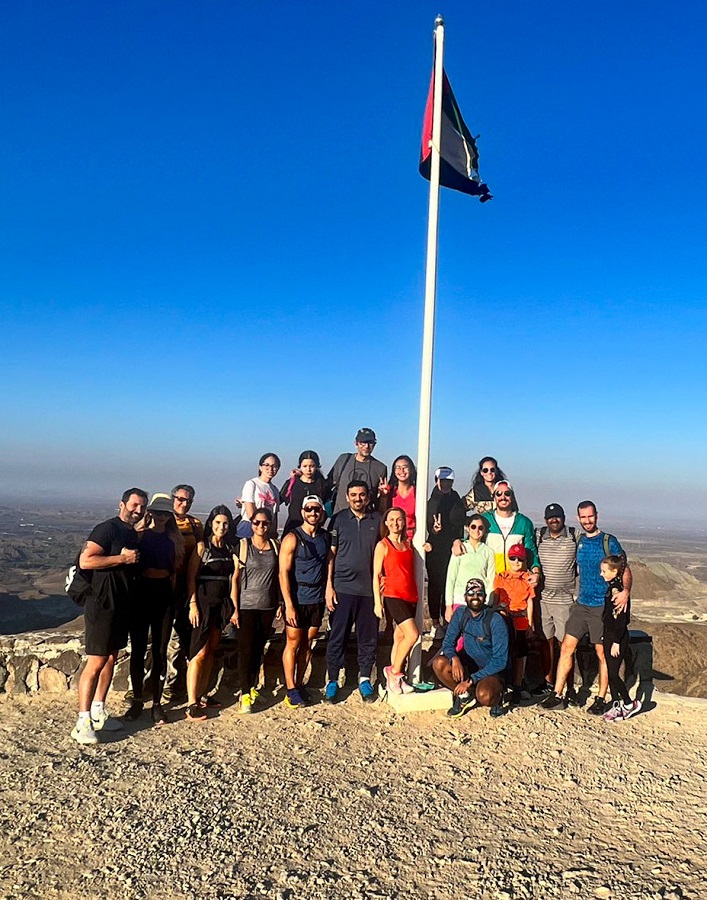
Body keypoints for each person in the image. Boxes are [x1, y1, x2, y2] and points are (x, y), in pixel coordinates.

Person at [70, 488, 146, 745]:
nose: (137, 510)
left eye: (141, 507)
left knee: (111, 658)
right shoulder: (107, 529)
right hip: (101, 603)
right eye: (134, 505)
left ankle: (99, 711)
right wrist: (121, 558)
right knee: (96, 660)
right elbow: (86, 561)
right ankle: (82, 721)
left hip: (120, 604)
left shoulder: (130, 533)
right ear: (121, 504)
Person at [542, 501, 632, 714]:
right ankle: (558, 694)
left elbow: (624, 568)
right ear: (578, 518)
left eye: (590, 516)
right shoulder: (580, 540)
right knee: (566, 648)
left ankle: (601, 698)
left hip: (602, 607)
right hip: (581, 604)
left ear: (596, 516)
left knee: (602, 653)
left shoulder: (608, 541)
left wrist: (625, 591)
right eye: (583, 517)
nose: (587, 521)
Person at [125, 492, 182, 726]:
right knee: (138, 650)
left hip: (164, 595)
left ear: (170, 516)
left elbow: (175, 572)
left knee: (160, 651)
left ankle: (157, 704)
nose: (161, 517)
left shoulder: (174, 541)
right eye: (157, 512)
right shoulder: (139, 537)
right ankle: (137, 700)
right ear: (150, 513)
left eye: (165, 513)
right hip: (142, 594)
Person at [324, 481, 381, 704]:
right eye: (354, 495)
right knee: (337, 637)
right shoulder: (338, 520)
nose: (358, 498)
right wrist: (329, 586)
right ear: (347, 497)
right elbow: (331, 555)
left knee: (368, 638)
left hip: (368, 591)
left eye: (362, 495)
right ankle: (332, 680)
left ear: (368, 497)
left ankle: (365, 678)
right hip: (343, 588)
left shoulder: (377, 520)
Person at [185, 505, 238, 722]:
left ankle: (203, 694)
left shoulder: (228, 549)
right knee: (198, 652)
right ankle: (191, 702)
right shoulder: (201, 547)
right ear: (211, 524)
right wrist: (193, 604)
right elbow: (191, 578)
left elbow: (233, 579)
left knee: (211, 651)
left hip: (220, 605)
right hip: (203, 604)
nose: (221, 527)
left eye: (225, 523)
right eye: (217, 523)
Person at [432, 578, 509, 718]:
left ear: (485, 597)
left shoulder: (495, 620)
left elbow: (500, 661)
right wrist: (454, 658)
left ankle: (497, 696)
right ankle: (465, 697)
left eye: (479, 593)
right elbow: (448, 643)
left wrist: (470, 680)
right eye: (471, 593)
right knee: (439, 663)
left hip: (491, 670)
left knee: (485, 696)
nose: (475, 597)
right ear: (465, 596)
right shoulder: (460, 614)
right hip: (469, 664)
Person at [279, 495, 329, 708]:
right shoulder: (292, 538)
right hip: (297, 598)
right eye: (308, 509)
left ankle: (299, 684)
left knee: (308, 643)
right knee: (293, 642)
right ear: (302, 512)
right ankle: (290, 688)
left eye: (316, 509)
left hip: (316, 599)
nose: (313, 513)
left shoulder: (325, 537)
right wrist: (288, 604)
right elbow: (283, 573)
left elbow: (328, 564)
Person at [233, 507, 281, 714]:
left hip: (267, 606)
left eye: (265, 523)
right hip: (246, 606)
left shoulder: (275, 546)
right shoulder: (243, 546)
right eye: (257, 522)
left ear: (270, 525)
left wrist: (279, 602)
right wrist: (234, 608)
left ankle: (251, 688)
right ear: (251, 524)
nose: (261, 526)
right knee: (246, 650)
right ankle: (244, 694)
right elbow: (234, 579)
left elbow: (278, 576)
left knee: (258, 649)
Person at [163, 484, 204, 702]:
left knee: (176, 639)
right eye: (180, 499)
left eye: (188, 500)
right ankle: (144, 683)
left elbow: (201, 550)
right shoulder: (160, 520)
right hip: (160, 586)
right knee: (155, 637)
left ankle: (171, 683)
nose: (183, 503)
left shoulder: (195, 524)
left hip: (183, 588)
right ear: (172, 498)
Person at [373, 507, 419, 695]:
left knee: (400, 638)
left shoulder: (409, 544)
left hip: (411, 595)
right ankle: (394, 672)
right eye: (391, 520)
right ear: (386, 523)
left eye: (399, 519)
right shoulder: (383, 545)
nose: (395, 523)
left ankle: (397, 682)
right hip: (393, 595)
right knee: (412, 635)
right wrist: (378, 601)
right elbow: (376, 574)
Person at [534, 503, 578, 696]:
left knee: (566, 645)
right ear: (545, 520)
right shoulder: (538, 536)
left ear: (564, 518)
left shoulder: (574, 536)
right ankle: (548, 683)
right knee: (546, 641)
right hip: (543, 599)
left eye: (558, 516)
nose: (554, 520)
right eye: (551, 517)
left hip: (565, 601)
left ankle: (569, 687)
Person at [423, 467, 466, 635]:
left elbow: (459, 523)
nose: (446, 484)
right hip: (435, 550)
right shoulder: (431, 502)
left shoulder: (455, 500)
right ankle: (435, 622)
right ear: (436, 481)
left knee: (451, 584)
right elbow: (428, 525)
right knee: (436, 586)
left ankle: (446, 620)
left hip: (452, 548)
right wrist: (434, 529)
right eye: (443, 480)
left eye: (449, 481)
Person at [599, 555, 642, 722]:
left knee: (613, 674)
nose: (601, 574)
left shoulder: (618, 591)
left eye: (604, 571)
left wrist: (616, 641)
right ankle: (617, 705)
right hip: (609, 635)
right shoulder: (612, 587)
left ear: (614, 571)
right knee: (611, 673)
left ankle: (629, 703)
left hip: (616, 638)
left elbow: (621, 619)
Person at [490, 543, 535, 702]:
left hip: (521, 621)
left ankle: (517, 687)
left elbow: (530, 602)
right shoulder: (500, 577)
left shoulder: (527, 579)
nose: (516, 561)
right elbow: (495, 601)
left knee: (520, 655)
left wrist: (531, 623)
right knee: (502, 653)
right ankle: (500, 686)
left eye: (519, 559)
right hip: (504, 620)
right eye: (512, 558)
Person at [481, 481, 540, 579]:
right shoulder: (485, 520)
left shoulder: (524, 522)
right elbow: (472, 543)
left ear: (512, 496)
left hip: (516, 582)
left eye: (507, 494)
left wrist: (536, 572)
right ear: (494, 497)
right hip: (491, 580)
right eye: (498, 494)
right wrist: (457, 542)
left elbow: (531, 552)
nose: (503, 497)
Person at [444, 514, 495, 623]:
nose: (477, 530)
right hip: (459, 600)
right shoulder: (460, 548)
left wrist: (488, 603)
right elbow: (451, 578)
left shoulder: (488, 552)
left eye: (480, 528)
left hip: (479, 602)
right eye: (473, 527)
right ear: (467, 528)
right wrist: (448, 606)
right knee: (460, 638)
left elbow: (490, 578)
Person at [327, 428, 387, 515]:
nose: (366, 446)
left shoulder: (380, 468)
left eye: (370, 443)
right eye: (363, 442)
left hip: (366, 520)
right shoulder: (343, 460)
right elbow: (327, 484)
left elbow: (381, 500)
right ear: (356, 443)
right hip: (339, 518)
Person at [280, 451, 329, 535]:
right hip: (293, 527)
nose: (308, 469)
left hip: (314, 529)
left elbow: (327, 507)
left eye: (312, 466)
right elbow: (279, 500)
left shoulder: (322, 485)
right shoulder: (292, 483)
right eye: (305, 466)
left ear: (317, 466)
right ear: (300, 466)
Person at [237, 453, 281, 538]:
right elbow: (250, 513)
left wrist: (272, 533)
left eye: (274, 466)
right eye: (266, 465)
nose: (270, 469)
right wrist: (259, 527)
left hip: (265, 533)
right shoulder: (252, 484)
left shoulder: (275, 490)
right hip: (248, 531)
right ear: (260, 467)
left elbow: (274, 516)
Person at [381, 455, 417, 537]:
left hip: (413, 538)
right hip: (393, 537)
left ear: (411, 470)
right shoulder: (389, 491)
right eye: (398, 467)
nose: (401, 470)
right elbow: (382, 513)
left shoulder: (417, 492)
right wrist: (383, 496)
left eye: (405, 467)